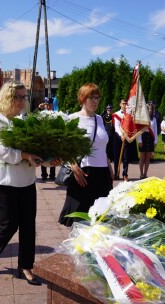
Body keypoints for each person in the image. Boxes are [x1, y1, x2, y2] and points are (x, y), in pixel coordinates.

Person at [0, 81, 61, 285]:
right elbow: (2, 150)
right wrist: (26, 154)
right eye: (17, 97)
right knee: (9, 224)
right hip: (2, 182)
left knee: (28, 226)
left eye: (23, 97)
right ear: (7, 98)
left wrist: (48, 160)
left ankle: (26, 266)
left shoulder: (24, 121)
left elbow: (34, 150)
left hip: (26, 182)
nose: (21, 101)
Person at [59, 83, 113, 227]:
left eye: (98, 98)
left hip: (102, 173)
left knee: (101, 217)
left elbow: (101, 145)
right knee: (80, 218)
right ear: (83, 98)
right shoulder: (72, 119)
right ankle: (78, 248)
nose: (96, 101)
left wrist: (108, 165)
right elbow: (64, 147)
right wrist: (74, 167)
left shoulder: (99, 119)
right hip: (83, 172)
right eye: (92, 98)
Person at [137, 103, 157, 179]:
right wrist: (139, 140)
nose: (149, 110)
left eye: (151, 109)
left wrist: (155, 141)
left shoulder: (154, 119)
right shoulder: (141, 118)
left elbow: (155, 130)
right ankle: (141, 173)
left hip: (150, 138)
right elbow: (139, 130)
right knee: (142, 157)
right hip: (143, 137)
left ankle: (145, 174)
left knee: (148, 158)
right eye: (148, 108)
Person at [39, 98, 56, 181]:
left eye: (50, 104)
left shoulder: (55, 114)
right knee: (43, 156)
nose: (48, 106)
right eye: (47, 105)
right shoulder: (41, 113)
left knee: (53, 156)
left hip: (52, 138)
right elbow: (33, 116)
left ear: (52, 105)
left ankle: (52, 175)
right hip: (44, 137)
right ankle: (44, 174)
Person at [112, 99, 129, 181]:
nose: (125, 105)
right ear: (120, 104)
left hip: (126, 137)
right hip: (118, 137)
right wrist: (121, 135)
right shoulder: (116, 114)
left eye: (126, 104)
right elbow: (116, 127)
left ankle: (125, 174)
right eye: (123, 104)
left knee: (126, 157)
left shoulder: (129, 115)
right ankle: (116, 173)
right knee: (116, 156)